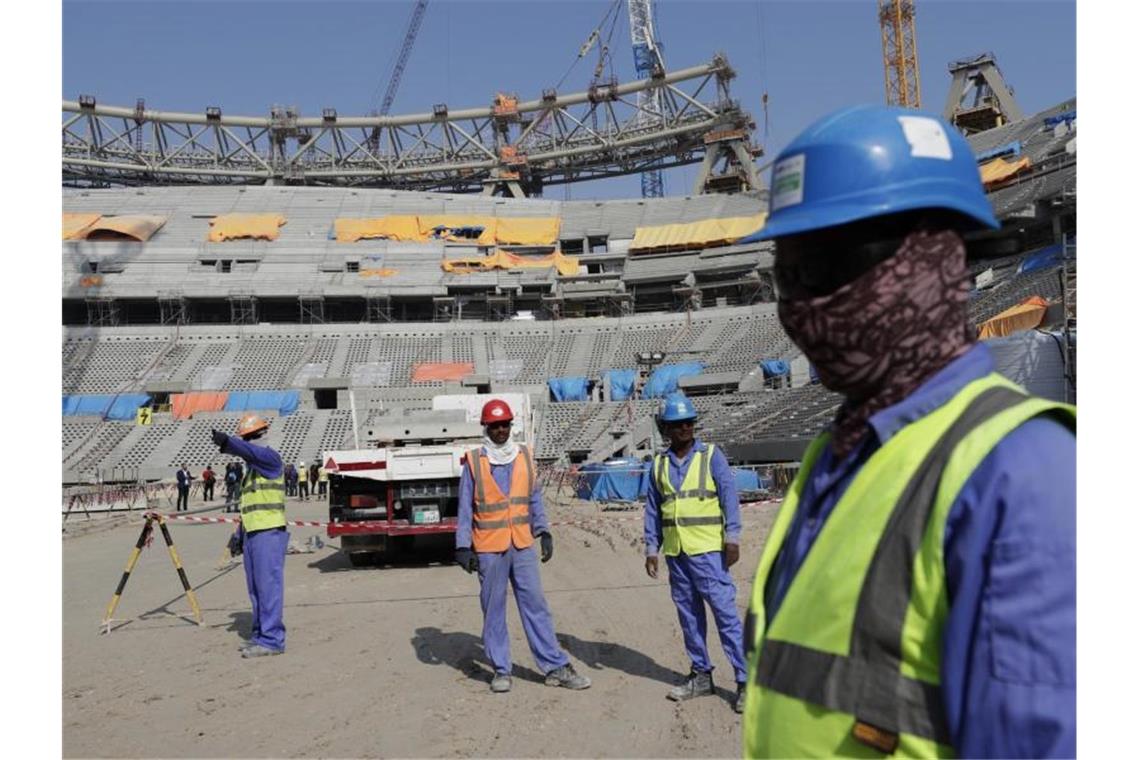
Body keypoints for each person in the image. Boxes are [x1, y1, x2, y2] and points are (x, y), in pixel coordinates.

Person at [737, 105, 1076, 758]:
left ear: (937, 262)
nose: (802, 303)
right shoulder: (836, 457)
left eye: (825, 268)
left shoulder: (1024, 473)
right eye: (788, 273)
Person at [455, 398, 591, 694]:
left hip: (522, 545)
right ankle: (501, 669)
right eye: (495, 426)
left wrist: (543, 531)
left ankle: (555, 666)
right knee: (493, 609)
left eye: (505, 424)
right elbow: (465, 508)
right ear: (486, 428)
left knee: (536, 606)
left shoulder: (525, 457)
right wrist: (462, 546)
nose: (501, 430)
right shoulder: (474, 463)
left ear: (511, 426)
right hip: (490, 549)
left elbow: (534, 499)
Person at [644, 394, 747, 713]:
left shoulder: (712, 456)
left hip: (709, 552)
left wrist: (732, 538)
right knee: (689, 618)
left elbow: (730, 498)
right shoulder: (658, 464)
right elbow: (652, 509)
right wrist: (652, 547)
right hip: (677, 553)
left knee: (726, 616)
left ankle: (745, 680)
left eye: (689, 422)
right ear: (667, 429)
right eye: (678, 424)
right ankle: (701, 674)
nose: (686, 428)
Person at [211, 414, 289, 659]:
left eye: (252, 438)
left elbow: (252, 453)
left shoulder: (270, 459)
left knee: (268, 588)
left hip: (269, 532)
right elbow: (250, 505)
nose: (251, 443)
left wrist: (230, 443)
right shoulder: (251, 472)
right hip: (253, 533)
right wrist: (239, 535)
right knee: (255, 589)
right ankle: (259, 635)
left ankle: (272, 640)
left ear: (262, 436)